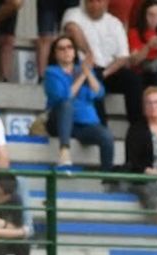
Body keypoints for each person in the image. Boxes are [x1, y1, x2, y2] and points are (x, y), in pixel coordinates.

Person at [44, 34, 114, 170]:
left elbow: (99, 93)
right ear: (55, 53)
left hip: (83, 124)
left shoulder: (81, 69)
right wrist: (82, 77)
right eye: (61, 49)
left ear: (74, 51)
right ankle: (64, 151)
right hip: (58, 122)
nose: (66, 51)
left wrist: (88, 73)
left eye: (70, 47)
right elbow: (65, 96)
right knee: (66, 104)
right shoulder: (52, 72)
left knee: (107, 136)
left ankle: (108, 180)